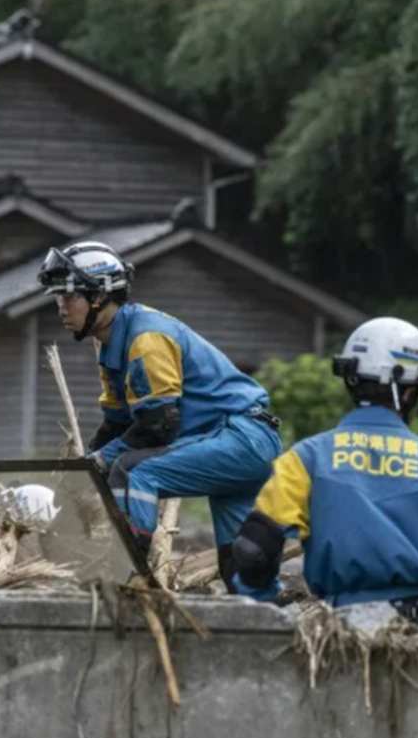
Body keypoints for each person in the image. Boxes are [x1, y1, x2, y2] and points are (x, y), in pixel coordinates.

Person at [230, 316, 418, 730]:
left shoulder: (306, 459)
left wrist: (265, 611)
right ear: (409, 388)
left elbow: (253, 551)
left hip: (337, 639)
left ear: (352, 380)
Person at [37, 240, 283, 588]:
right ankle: (266, 610)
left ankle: (126, 575)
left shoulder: (146, 338)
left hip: (242, 437)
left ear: (100, 295)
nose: (61, 308)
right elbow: (119, 424)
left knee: (133, 470)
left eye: (69, 296)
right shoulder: (109, 343)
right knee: (241, 565)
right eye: (58, 298)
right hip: (229, 441)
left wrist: (101, 463)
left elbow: (158, 427)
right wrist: (82, 468)